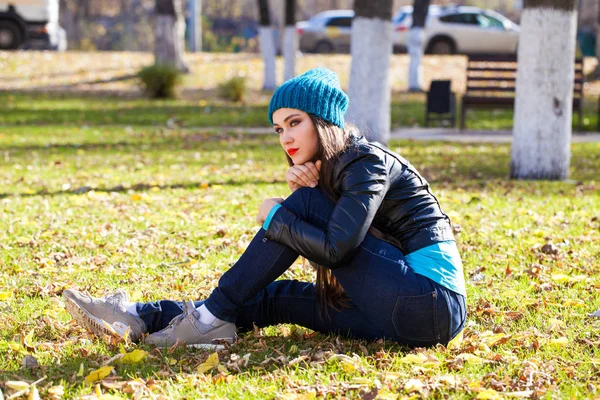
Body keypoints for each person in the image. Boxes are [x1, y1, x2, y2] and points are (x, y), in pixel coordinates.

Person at [63, 68, 467, 349]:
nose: (286, 138)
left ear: (323, 123)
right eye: (278, 129)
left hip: (429, 304)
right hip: (393, 313)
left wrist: (277, 214)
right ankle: (138, 316)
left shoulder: (366, 162)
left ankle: (203, 322)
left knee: (300, 206)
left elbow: (336, 251)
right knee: (273, 298)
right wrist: (302, 203)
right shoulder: (331, 173)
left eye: (295, 123)